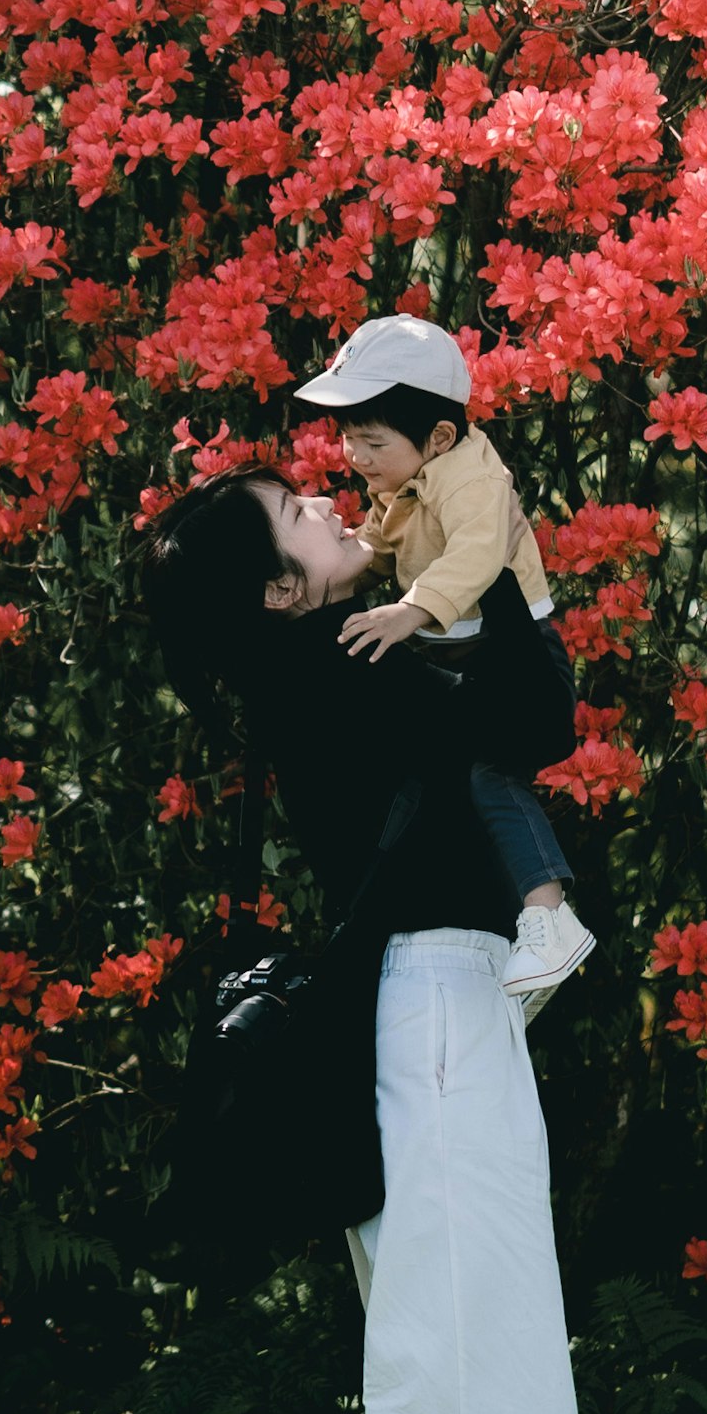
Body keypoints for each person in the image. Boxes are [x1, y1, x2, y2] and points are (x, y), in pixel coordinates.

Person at [145, 460, 582, 1414]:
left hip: (441, 1015)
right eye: (301, 519)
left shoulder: (323, 671)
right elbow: (534, 711)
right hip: (435, 1020)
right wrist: (486, 537)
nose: (335, 506)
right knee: (467, 1376)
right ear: (282, 591)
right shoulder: (339, 668)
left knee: (470, 1370)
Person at [294, 312, 596, 1012]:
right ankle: (525, 937)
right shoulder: (407, 475)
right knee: (461, 783)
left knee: (493, 775)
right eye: (347, 438)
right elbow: (378, 543)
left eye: (371, 440)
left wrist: (408, 611)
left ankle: (551, 919)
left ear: (438, 436)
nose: (354, 456)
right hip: (463, 645)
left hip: (518, 657)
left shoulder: (471, 478)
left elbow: (475, 556)